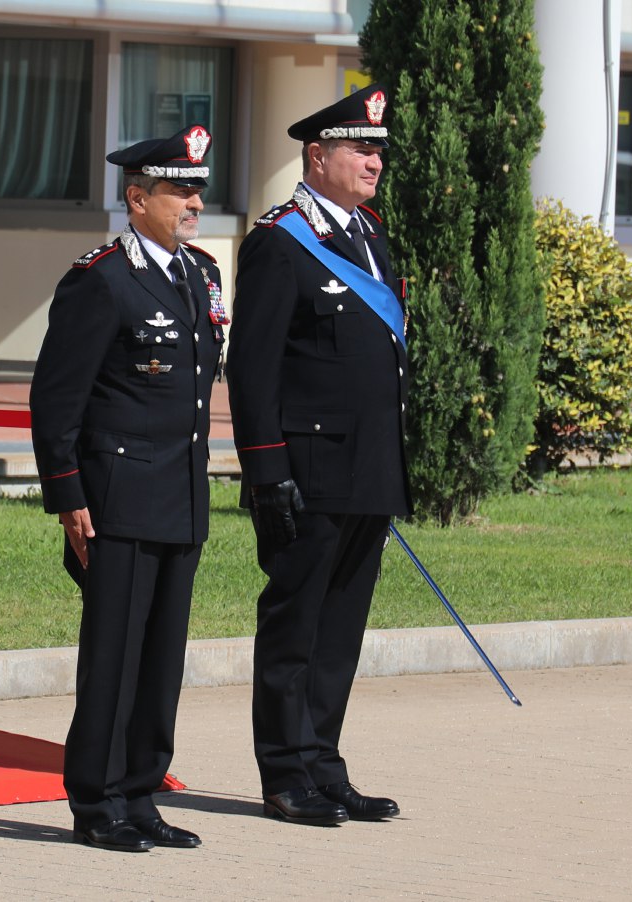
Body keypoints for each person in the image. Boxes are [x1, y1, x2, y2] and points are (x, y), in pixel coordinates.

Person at [30, 125, 226, 853]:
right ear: (137, 197)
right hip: (116, 494)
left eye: (197, 188)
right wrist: (68, 495)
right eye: (179, 189)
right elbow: (56, 399)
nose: (193, 201)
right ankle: (97, 799)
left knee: (160, 659)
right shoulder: (101, 278)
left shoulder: (199, 273)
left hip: (180, 491)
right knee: (112, 655)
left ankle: (142, 790)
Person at [226, 84, 411, 827]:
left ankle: (324, 764)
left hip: (368, 470)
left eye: (378, 149)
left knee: (340, 632)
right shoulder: (279, 240)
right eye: (361, 148)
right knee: (295, 627)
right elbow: (254, 368)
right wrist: (267, 472)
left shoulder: (370, 235)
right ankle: (285, 772)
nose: (374, 160)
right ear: (318, 154)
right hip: (305, 474)